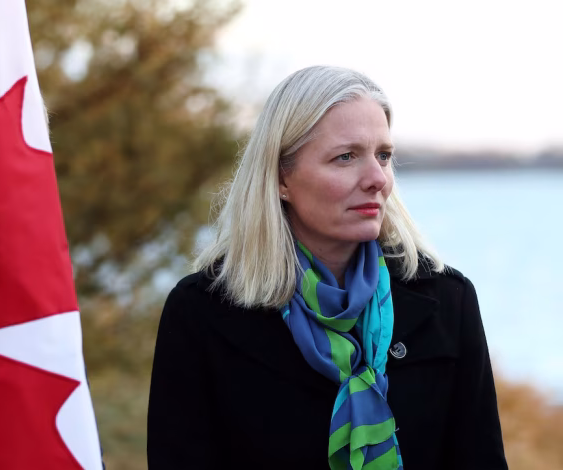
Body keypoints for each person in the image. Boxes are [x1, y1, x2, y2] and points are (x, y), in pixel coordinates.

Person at [147, 66, 507, 470]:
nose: (377, 178)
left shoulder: (446, 301)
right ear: (281, 177)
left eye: (383, 156)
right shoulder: (203, 311)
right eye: (346, 157)